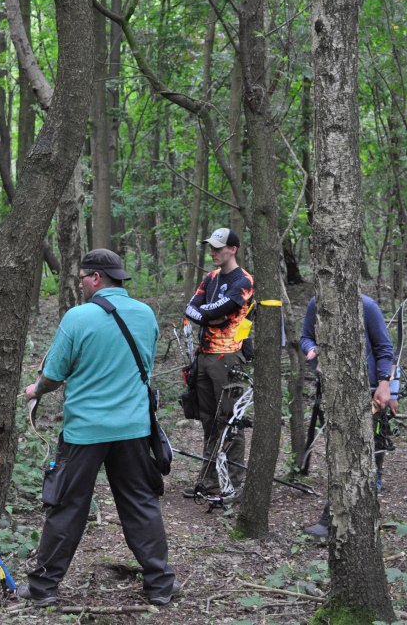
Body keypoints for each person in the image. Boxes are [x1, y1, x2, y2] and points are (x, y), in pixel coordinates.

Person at [20, 249, 179, 606]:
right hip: (134, 429)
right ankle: (160, 585)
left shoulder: (78, 317)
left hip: (85, 432)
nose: (78, 283)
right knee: (141, 504)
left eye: (82, 277)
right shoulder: (145, 314)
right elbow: (146, 366)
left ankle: (43, 588)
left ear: (97, 278)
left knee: (66, 507)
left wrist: (35, 389)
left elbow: (54, 375)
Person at [300, 293, 395, 538]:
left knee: (361, 450)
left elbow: (384, 348)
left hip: (367, 390)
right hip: (331, 390)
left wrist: (384, 383)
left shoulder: (367, 306)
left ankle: (334, 519)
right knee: (341, 450)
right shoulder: (316, 304)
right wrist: (312, 350)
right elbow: (306, 337)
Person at [182, 227, 255, 500]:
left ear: (232, 249)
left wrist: (208, 314)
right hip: (202, 357)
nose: (213, 252)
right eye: (210, 247)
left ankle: (232, 485)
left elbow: (219, 310)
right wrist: (208, 316)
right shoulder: (210, 278)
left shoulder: (243, 280)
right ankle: (209, 482)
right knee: (208, 422)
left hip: (228, 357)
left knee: (230, 421)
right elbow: (191, 307)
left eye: (218, 247)